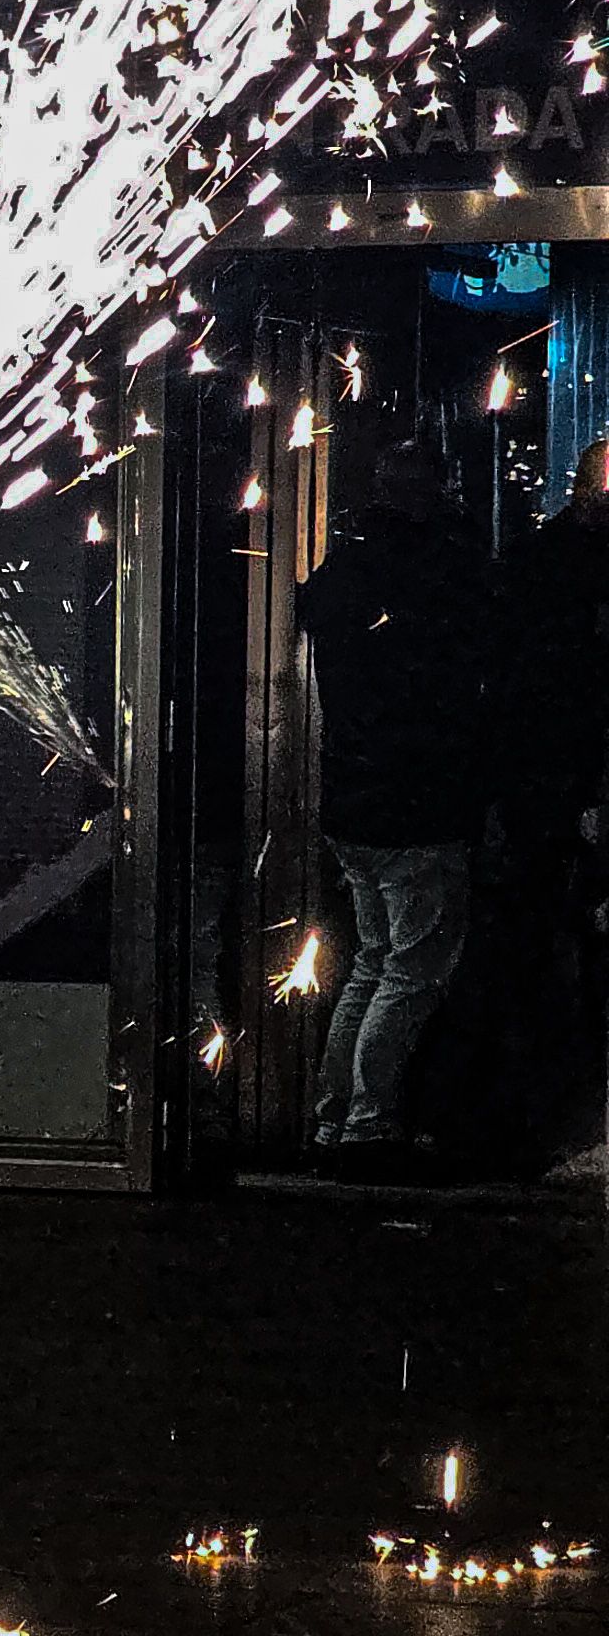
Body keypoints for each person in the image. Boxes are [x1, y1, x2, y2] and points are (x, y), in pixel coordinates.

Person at [299, 435, 500, 1168]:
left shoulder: (344, 570)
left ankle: (333, 1115)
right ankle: (369, 1121)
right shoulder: (441, 575)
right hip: (418, 798)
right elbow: (462, 685)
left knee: (373, 962)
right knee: (412, 970)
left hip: (354, 796)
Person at [493, 438, 609, 1173]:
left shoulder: (534, 563)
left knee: (543, 951)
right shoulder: (557, 568)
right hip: (562, 782)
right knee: (560, 954)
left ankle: (540, 1119)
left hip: (547, 784)